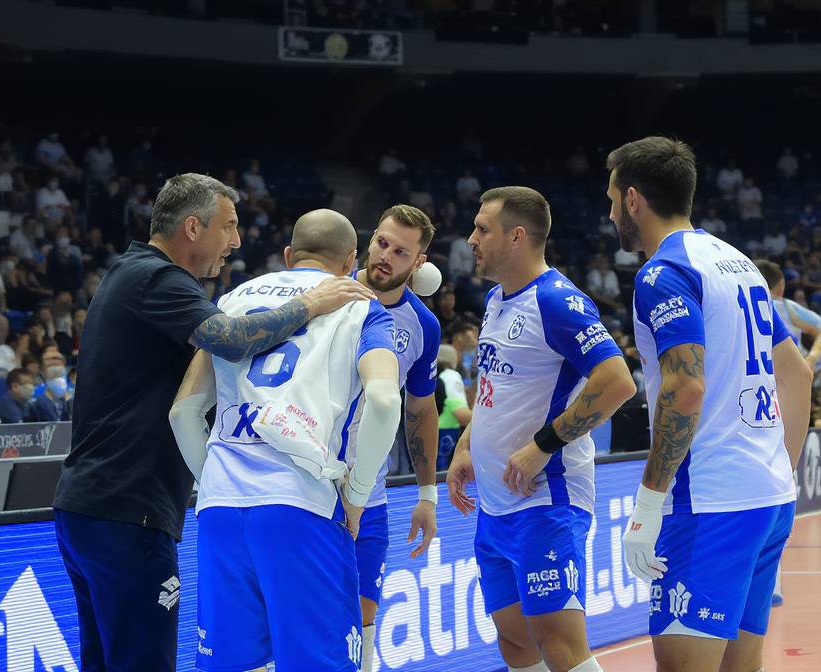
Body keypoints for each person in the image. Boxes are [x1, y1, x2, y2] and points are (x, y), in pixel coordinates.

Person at [52, 173, 374, 672]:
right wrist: (310, 303)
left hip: (90, 505)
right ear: (192, 227)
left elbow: (185, 407)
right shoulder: (157, 278)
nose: (237, 241)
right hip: (129, 507)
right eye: (229, 226)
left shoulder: (129, 272)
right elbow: (231, 338)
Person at [603, 137, 809, 672]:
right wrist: (783, 467)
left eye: (610, 200)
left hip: (709, 504)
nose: (609, 214)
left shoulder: (662, 272)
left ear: (632, 200)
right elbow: (798, 373)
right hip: (768, 498)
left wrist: (648, 505)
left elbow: (685, 388)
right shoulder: (738, 262)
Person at [169, 208, 399, 672]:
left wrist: (214, 479)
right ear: (351, 259)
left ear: (290, 255)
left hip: (219, 509)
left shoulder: (231, 302)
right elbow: (385, 402)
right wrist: (355, 496)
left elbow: (182, 412)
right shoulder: (361, 306)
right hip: (301, 503)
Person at [443, 186, 635, 672]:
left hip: (545, 499)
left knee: (559, 645)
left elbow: (616, 382)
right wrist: (466, 444)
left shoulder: (556, 301)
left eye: (482, 229)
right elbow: (492, 388)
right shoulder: (494, 300)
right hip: (494, 501)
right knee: (516, 643)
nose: (472, 239)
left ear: (516, 237)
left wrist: (543, 446)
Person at [350, 204, 442, 671]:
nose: (385, 256)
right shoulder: (329, 287)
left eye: (401, 251)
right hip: (308, 491)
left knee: (363, 635)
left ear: (419, 263)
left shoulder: (423, 325)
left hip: (371, 497)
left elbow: (421, 410)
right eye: (382, 242)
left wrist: (427, 493)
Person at [757, 260, 821, 371]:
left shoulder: (737, 305)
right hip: (784, 375)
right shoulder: (785, 307)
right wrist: (812, 359)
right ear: (781, 283)